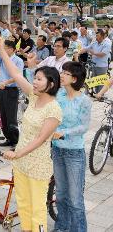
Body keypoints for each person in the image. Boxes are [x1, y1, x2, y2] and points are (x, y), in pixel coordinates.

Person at [0, 39, 62, 232]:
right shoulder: (33, 97)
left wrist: (17, 153)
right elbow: (16, 74)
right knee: (24, 206)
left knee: (37, 210)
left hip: (37, 166)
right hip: (21, 163)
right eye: (35, 78)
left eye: (39, 79)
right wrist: (1, 51)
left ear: (51, 84)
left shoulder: (54, 110)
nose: (34, 81)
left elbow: (41, 139)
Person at [51, 61, 91, 232]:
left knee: (75, 199)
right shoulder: (58, 94)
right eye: (62, 72)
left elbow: (83, 127)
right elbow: (38, 90)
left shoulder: (84, 101)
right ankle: (61, 227)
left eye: (66, 73)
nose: (62, 75)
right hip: (57, 150)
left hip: (74, 153)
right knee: (60, 195)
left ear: (74, 79)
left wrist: (63, 132)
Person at [0, 40, 24, 148]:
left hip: (11, 90)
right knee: (3, 116)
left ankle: (15, 141)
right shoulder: (4, 59)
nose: (3, 50)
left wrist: (6, 82)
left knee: (11, 117)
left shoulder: (18, 61)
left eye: (5, 48)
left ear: (12, 49)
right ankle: (8, 138)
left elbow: (18, 76)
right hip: (2, 90)